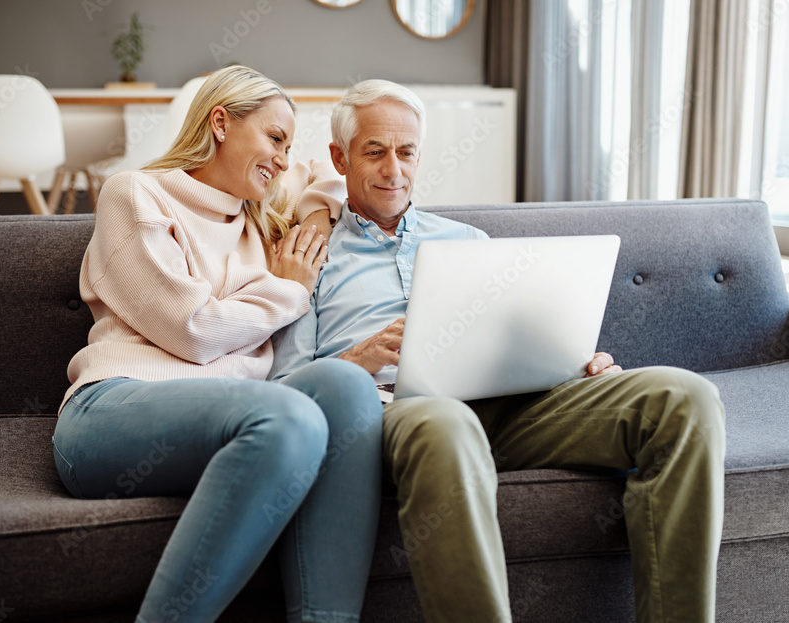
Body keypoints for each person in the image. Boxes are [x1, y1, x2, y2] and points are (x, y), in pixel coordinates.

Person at [269, 79, 727, 623]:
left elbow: (530, 333)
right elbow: (287, 389)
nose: (394, 169)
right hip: (398, 412)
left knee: (685, 397)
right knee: (445, 423)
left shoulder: (469, 241)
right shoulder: (309, 256)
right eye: (375, 152)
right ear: (340, 158)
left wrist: (575, 360)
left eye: (407, 151)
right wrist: (363, 356)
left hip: (514, 404)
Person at [52, 65, 383, 623]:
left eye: (287, 147)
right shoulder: (137, 194)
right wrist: (289, 290)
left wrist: (313, 214)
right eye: (274, 138)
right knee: (290, 418)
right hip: (115, 408)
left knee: (347, 385)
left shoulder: (261, 217)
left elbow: (329, 177)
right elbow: (195, 331)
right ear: (221, 121)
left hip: (233, 414)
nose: (282, 158)